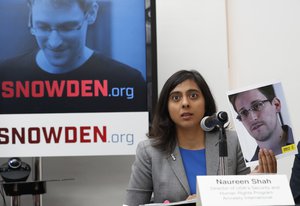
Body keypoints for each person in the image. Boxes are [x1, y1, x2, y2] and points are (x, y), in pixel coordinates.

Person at [124, 70, 277, 206]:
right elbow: (132, 205)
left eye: (193, 96)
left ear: (205, 102)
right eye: (176, 98)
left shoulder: (231, 141)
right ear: (166, 106)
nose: (185, 103)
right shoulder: (149, 151)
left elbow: (245, 200)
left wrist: (260, 184)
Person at [0, 0, 146, 114]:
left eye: (67, 27)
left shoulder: (126, 81)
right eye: (43, 27)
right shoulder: (5, 75)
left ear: (91, 13)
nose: (54, 43)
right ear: (30, 16)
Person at [229, 85, 294, 161]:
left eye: (257, 105)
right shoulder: (251, 169)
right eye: (243, 113)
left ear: (276, 105)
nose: (253, 118)